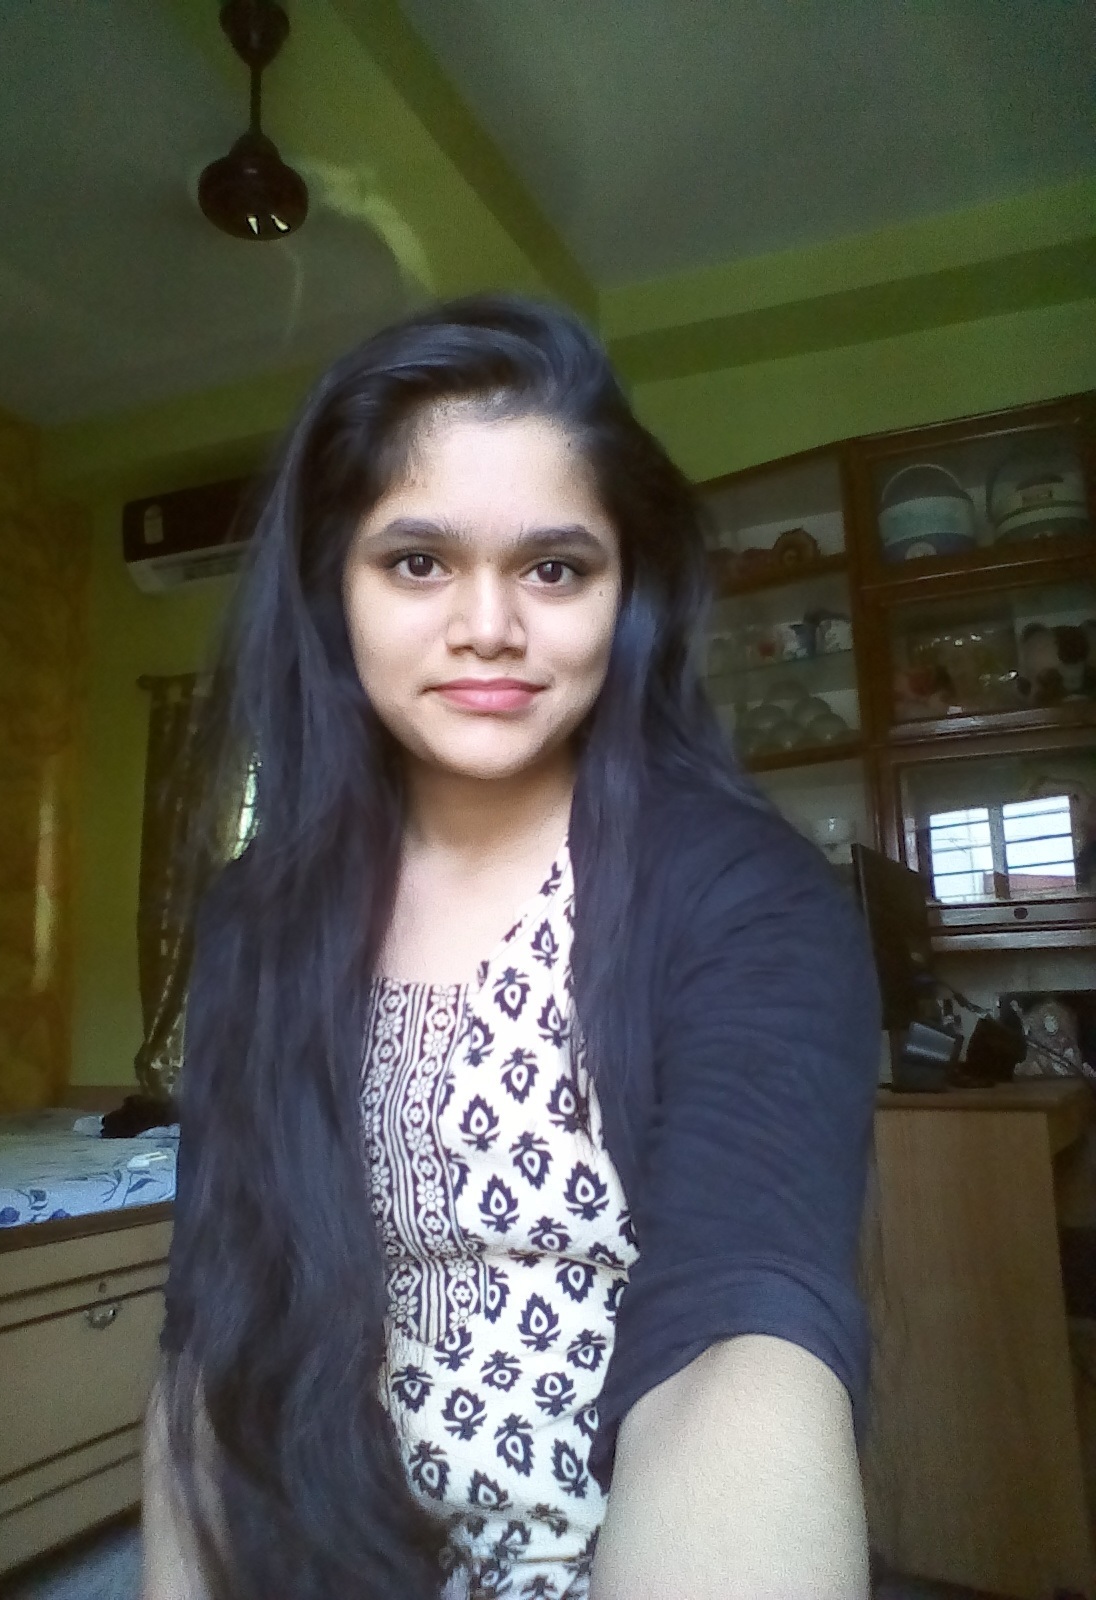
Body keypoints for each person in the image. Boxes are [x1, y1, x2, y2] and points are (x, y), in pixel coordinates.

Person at [142, 296, 880, 1600]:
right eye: (418, 561)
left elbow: (742, 1341)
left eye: (555, 569)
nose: (489, 623)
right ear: (334, 586)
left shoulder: (746, 897)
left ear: (626, 593)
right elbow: (209, 1340)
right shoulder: (259, 918)